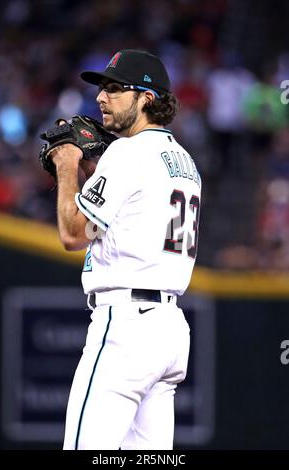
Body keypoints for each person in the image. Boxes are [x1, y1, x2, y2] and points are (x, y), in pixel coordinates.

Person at [49, 49, 202, 450]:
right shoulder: (184, 160)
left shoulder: (127, 153)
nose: (101, 97)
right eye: (102, 88)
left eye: (116, 89)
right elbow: (132, 212)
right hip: (170, 331)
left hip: (126, 327)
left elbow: (72, 233)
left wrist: (68, 164)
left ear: (147, 99)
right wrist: (92, 174)